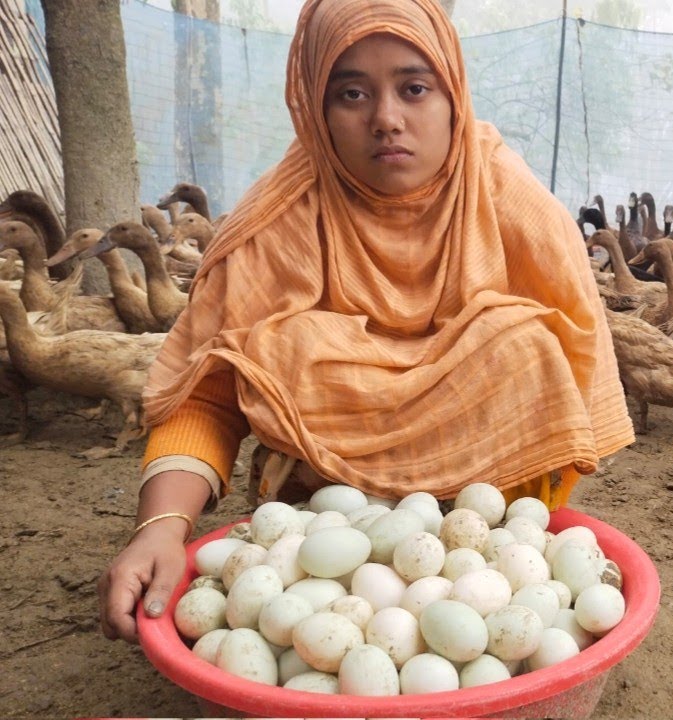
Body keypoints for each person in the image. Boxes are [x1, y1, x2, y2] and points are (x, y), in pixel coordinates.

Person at [98, 0, 633, 642]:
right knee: (291, 344)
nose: (386, 119)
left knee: (521, 343)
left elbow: (574, 378)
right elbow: (205, 396)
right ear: (315, 109)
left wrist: (514, 565)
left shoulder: (510, 204)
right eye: (351, 93)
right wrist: (158, 529)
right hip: (316, 543)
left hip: (489, 555)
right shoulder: (279, 223)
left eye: (414, 88)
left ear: (453, 94)